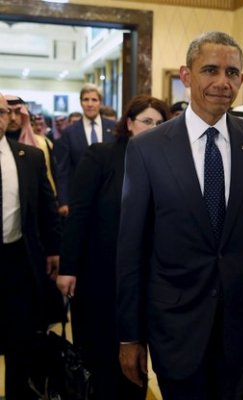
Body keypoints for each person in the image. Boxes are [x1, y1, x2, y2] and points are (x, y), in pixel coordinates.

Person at [116, 31, 243, 400]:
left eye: (231, 73)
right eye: (210, 70)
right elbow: (131, 249)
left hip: (241, 328)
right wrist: (129, 335)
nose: (222, 82)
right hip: (175, 328)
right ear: (186, 76)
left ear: (241, 79)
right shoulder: (147, 149)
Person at [56, 95, 170, 400]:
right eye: (147, 121)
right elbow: (79, 213)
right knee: (102, 359)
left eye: (160, 123)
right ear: (129, 123)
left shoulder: (165, 163)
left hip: (145, 277)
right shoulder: (102, 156)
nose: (153, 128)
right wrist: (68, 267)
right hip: (100, 273)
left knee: (136, 363)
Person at [0, 92, 61, 399]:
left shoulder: (30, 156)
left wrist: (54, 250)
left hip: (18, 260)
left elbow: (47, 208)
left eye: (1, 112)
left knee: (19, 340)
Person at [54, 83, 116, 217]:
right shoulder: (69, 132)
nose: (90, 104)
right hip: (79, 198)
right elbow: (63, 170)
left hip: (109, 195)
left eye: (94, 100)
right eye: (86, 99)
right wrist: (63, 201)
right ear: (80, 102)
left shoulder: (114, 128)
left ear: (100, 102)